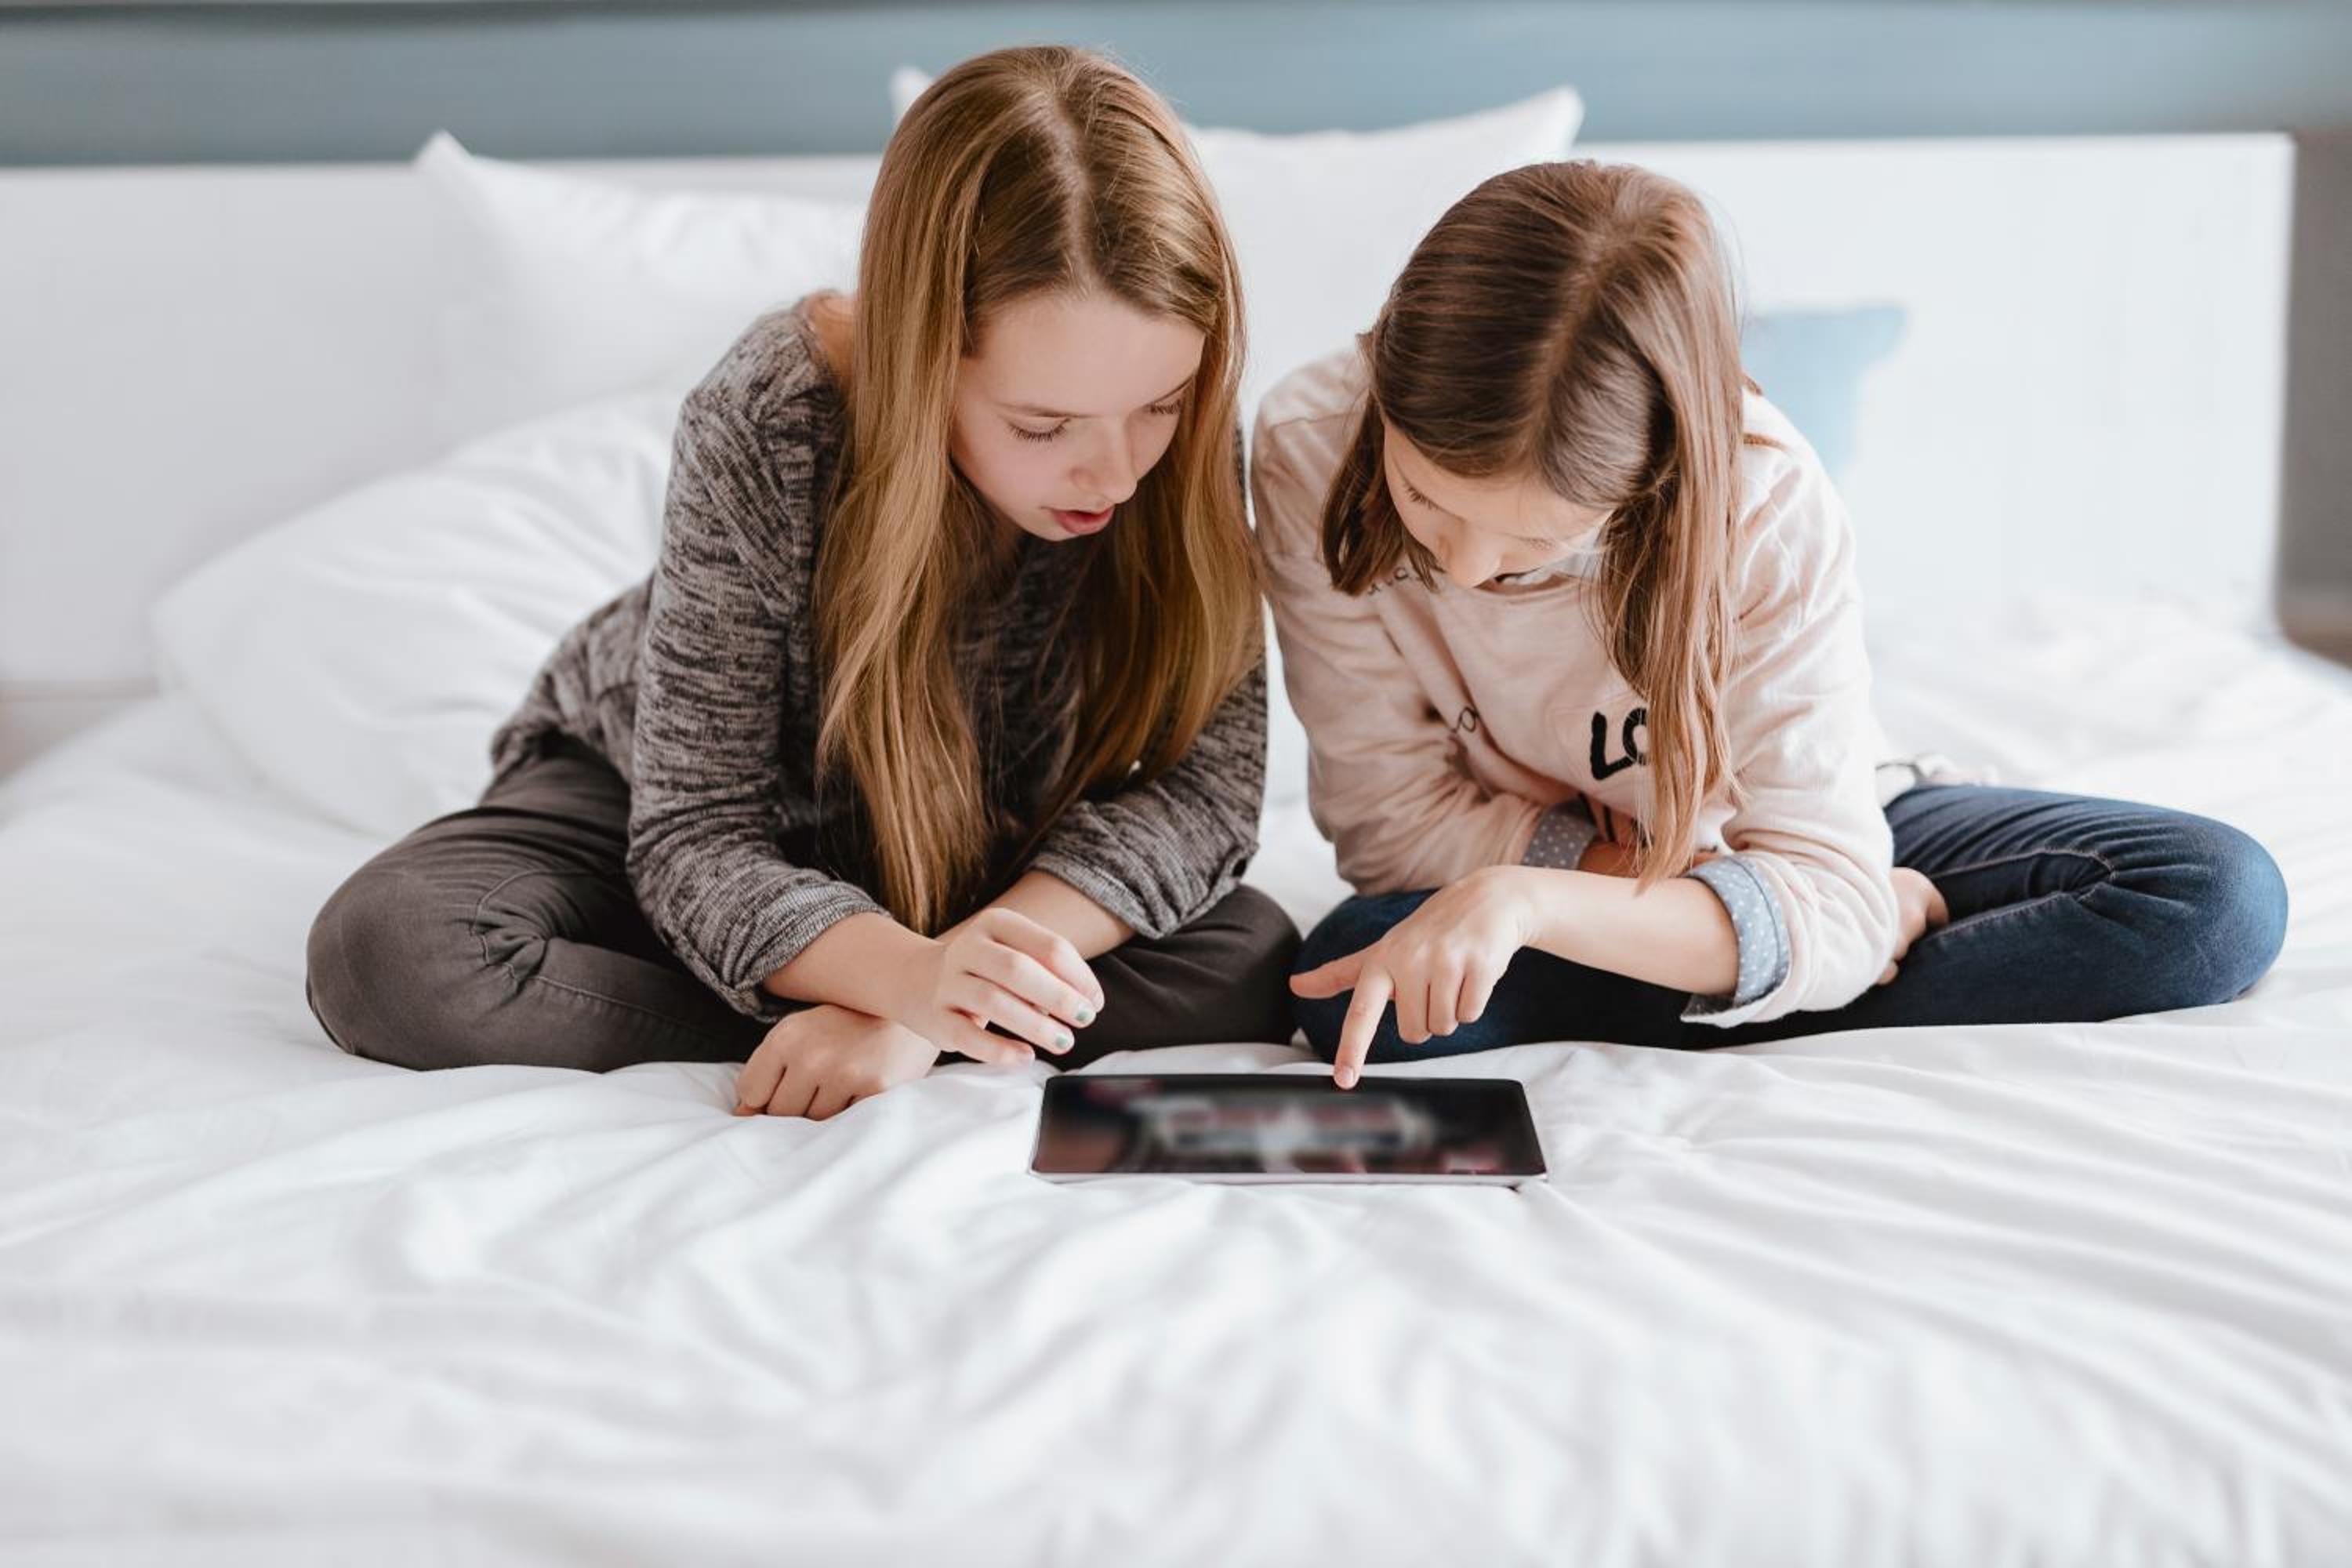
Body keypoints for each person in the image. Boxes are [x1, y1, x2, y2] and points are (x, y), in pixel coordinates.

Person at [307, 46, 1299, 1118]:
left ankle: (902, 1007)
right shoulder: (770, 413)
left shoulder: (1176, 422)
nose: (1117, 471)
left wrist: (931, 996)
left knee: (1250, 960)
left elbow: (1204, 794)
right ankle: (886, 1005)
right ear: (925, 358)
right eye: (1042, 425)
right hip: (669, 801)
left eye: (1157, 406)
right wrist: (911, 987)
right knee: (395, 954)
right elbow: (696, 833)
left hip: (973, 846)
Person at [1252, 159, 2288, 1087]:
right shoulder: (1311, 444)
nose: (1463, 567)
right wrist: (1769, 915)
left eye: (1536, 543)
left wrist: (1533, 905)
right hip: (1589, 855)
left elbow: (1814, 855)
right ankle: (1780, 975)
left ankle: (1744, 970)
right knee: (1348, 988)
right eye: (1428, 501)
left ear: (1651, 477)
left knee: (2212, 898)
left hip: (1766, 826)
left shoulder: (1764, 496)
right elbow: (1392, 825)